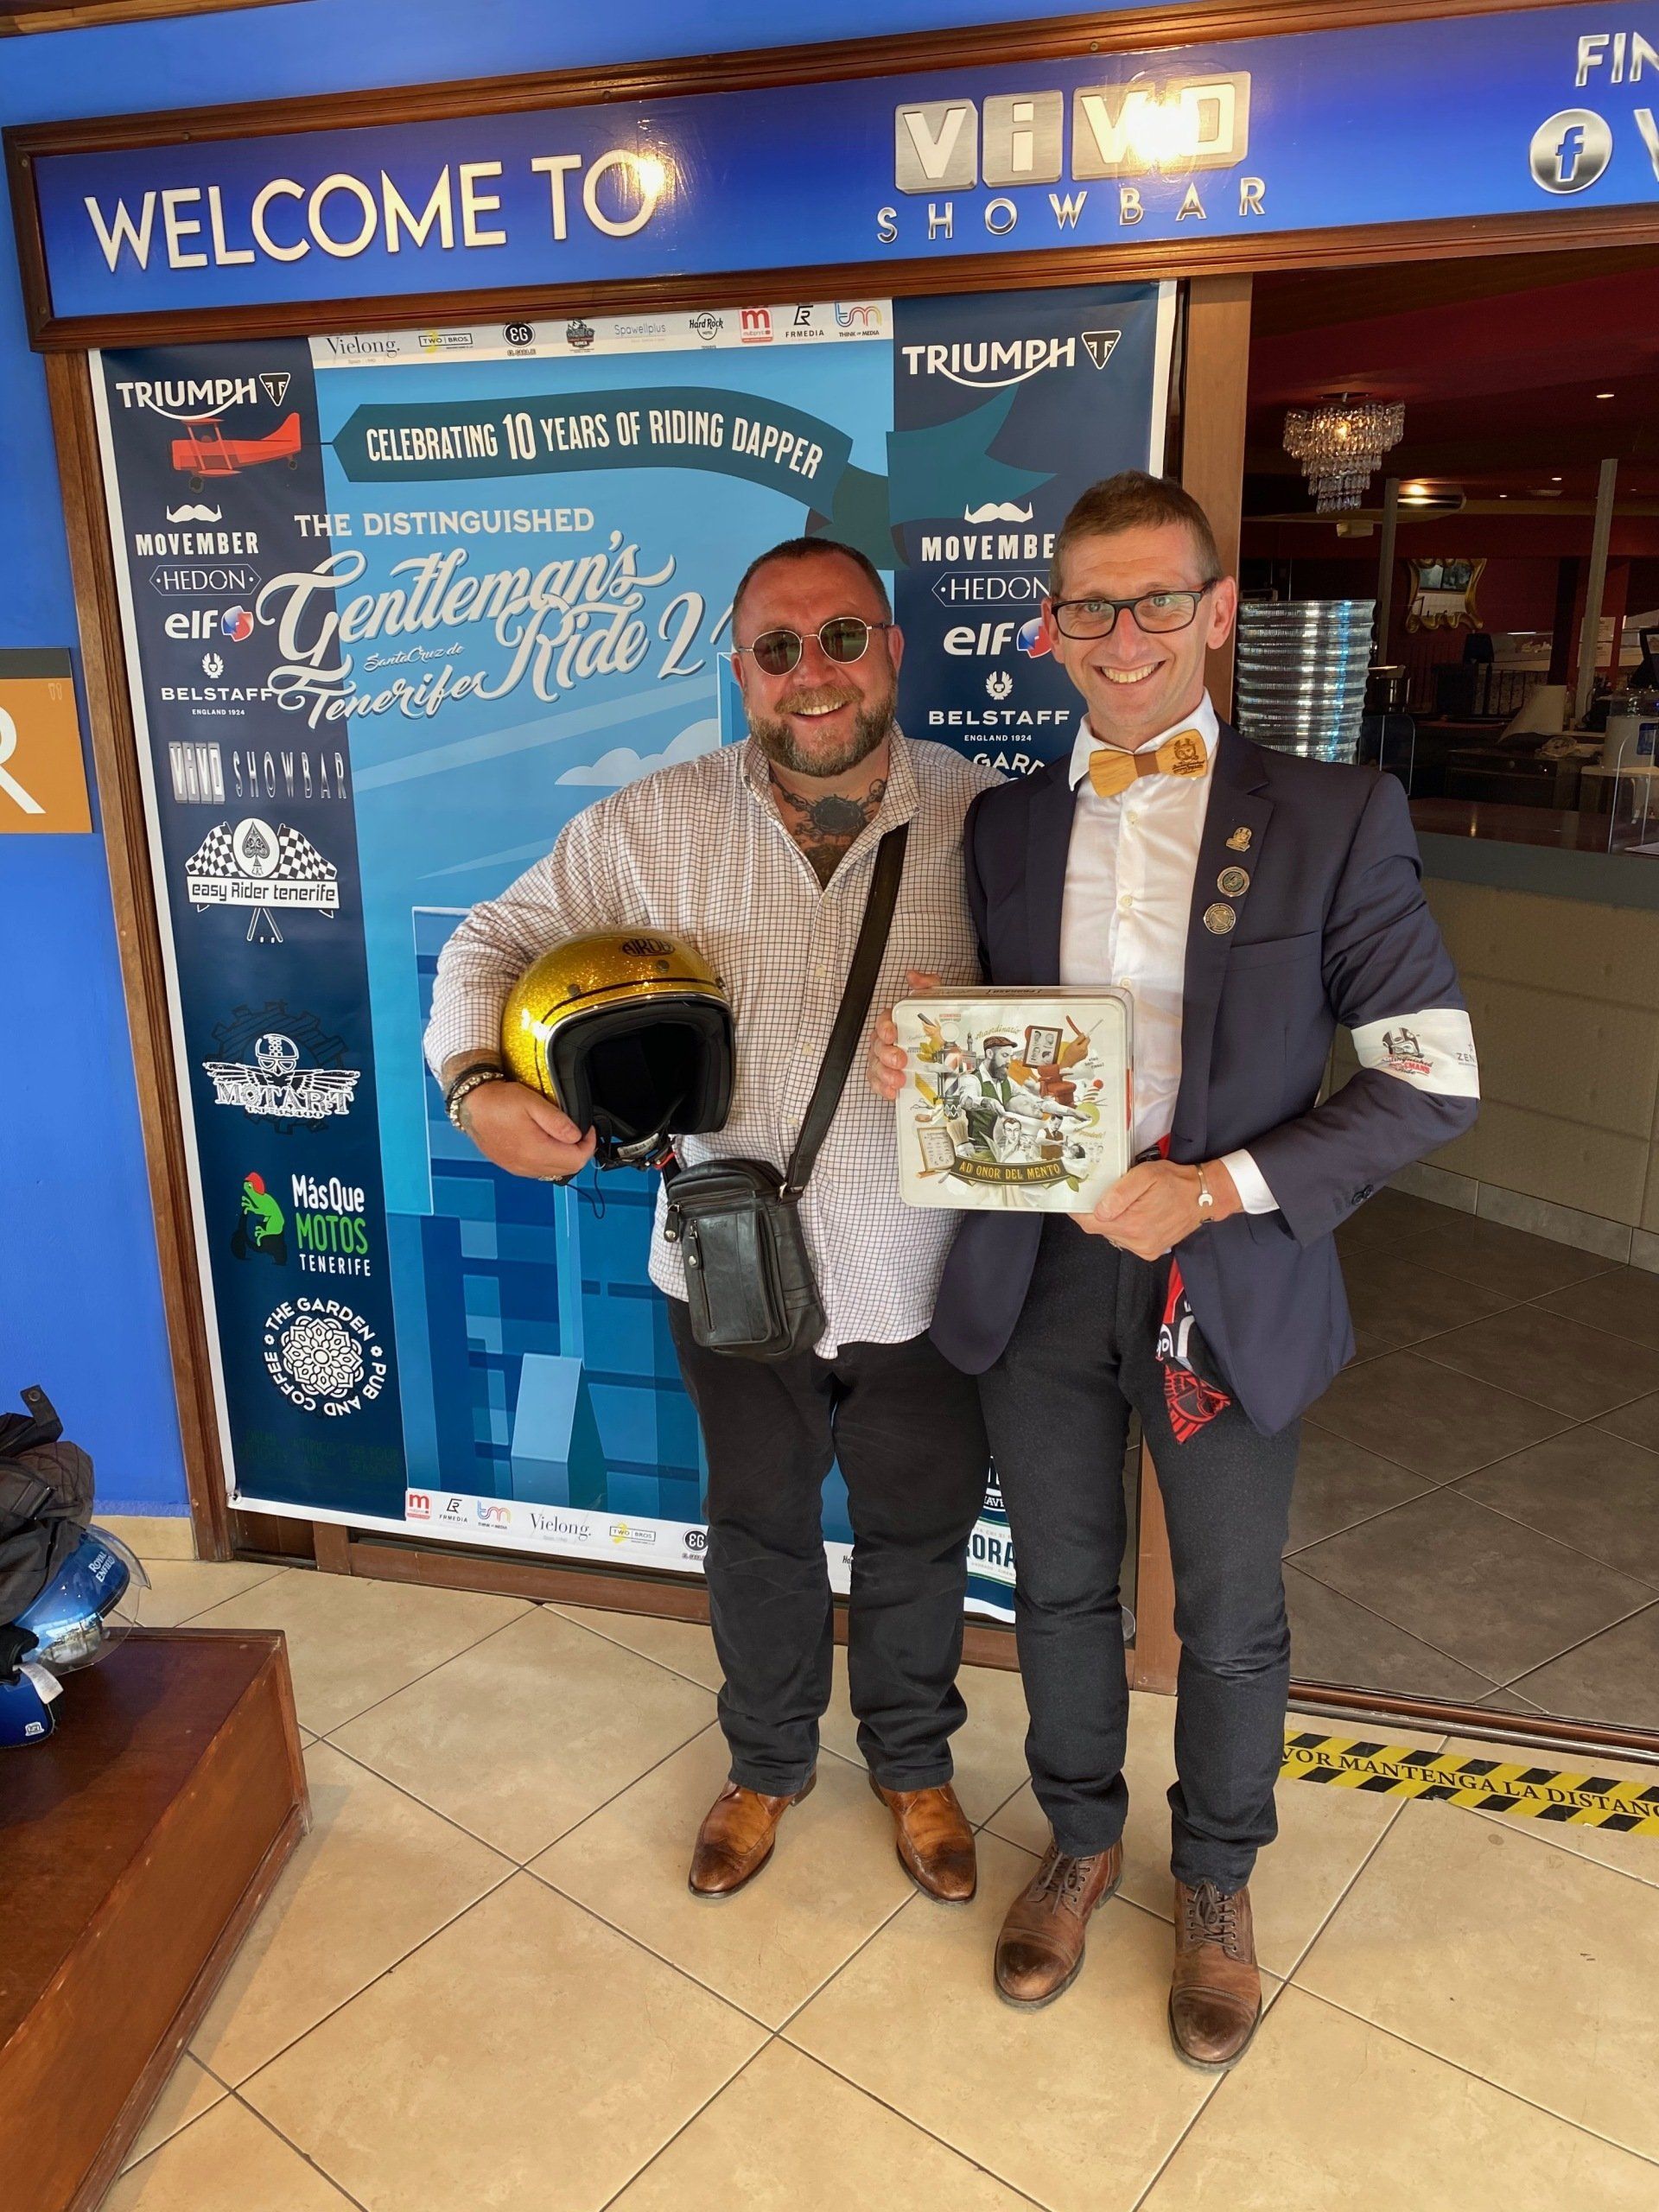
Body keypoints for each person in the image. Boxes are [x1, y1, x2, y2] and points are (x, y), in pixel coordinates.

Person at [869, 472, 1478, 2067]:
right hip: (1043, 1279)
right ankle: (1078, 1841)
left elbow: (1432, 1078)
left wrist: (1215, 1191)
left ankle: (1215, 1881)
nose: (1122, 635)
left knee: (1228, 1611)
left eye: (1155, 602)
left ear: (1215, 614)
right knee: (1062, 1588)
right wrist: (936, 1059)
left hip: (1233, 1277)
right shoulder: (1005, 820)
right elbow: (1027, 1060)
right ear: (1049, 626)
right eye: (1090, 606)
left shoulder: (1337, 814)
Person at [425, 536, 996, 1908]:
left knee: (920, 1539)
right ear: (740, 667)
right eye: (778, 647)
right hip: (729, 1267)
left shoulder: (998, 822)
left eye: (844, 638)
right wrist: (473, 1086)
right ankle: (767, 1766)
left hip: (939, 1274)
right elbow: (486, 946)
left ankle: (914, 1768)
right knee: (756, 1533)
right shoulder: (649, 824)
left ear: (894, 650)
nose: (814, 673)